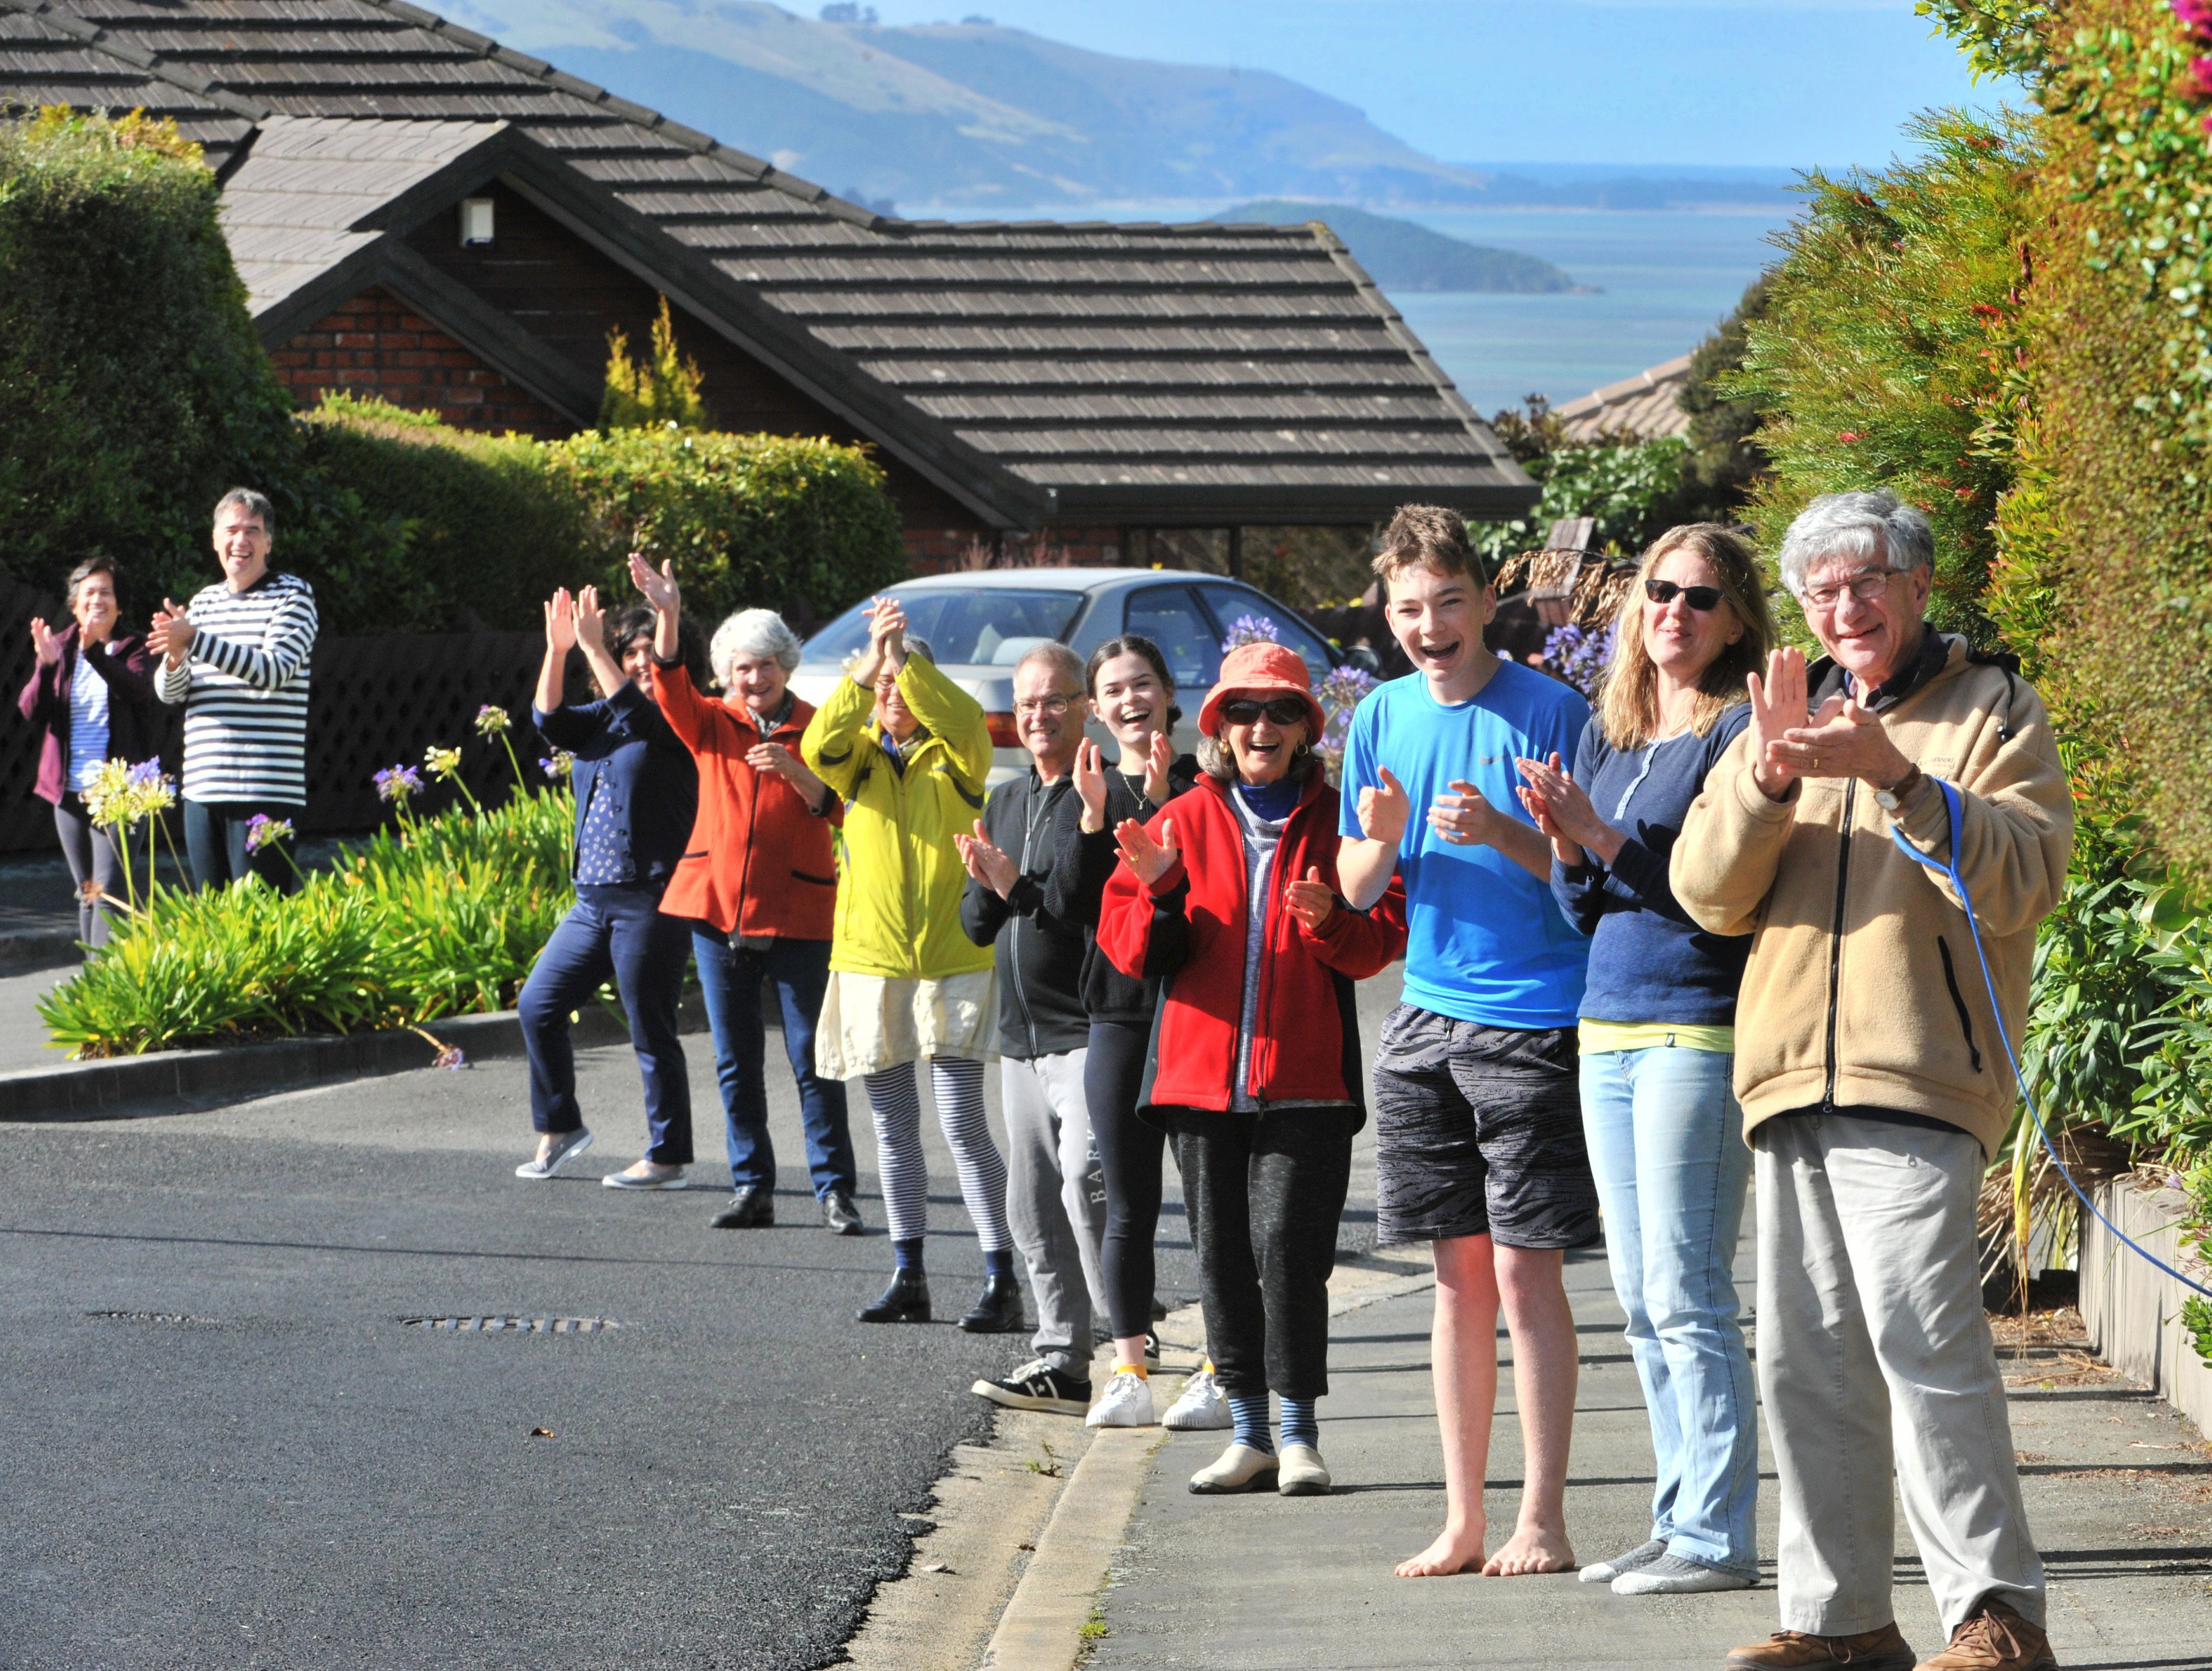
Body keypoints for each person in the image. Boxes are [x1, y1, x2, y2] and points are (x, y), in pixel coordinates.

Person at [1675, 492, 2072, 1671]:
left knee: (1923, 1343)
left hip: (1923, 1075)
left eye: (1867, 583)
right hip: (1789, 1079)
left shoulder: (1993, 708)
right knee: (1808, 1365)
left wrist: (1900, 779)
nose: (1846, 608)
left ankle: (1995, 1616)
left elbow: (2026, 876)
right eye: (1823, 591)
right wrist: (1770, 778)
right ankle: (1842, 1623)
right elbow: (1706, 892)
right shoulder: (1780, 716)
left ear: (1917, 588)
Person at [1511, 525, 1775, 1597]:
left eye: (1700, 598)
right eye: (1659, 591)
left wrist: (1604, 840)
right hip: (1608, 1025)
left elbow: (1724, 901)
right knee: (1636, 1294)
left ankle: (1718, 1533)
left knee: (1688, 1288)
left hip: (1695, 1026)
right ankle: (1679, 1521)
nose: (1674, 610)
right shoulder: (1613, 731)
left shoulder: (1740, 732)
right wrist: (1568, 842)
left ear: (1736, 619)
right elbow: (1586, 910)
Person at [1334, 503, 1596, 1578]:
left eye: (1450, 601)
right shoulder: (1380, 716)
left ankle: (1543, 1517)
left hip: (1535, 1018)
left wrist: (1503, 833)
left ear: (1489, 602)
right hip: (1424, 1019)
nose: (1431, 623)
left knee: (1529, 1277)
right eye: (1409, 607)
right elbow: (1354, 891)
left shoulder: (1554, 710)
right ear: (1386, 615)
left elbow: (1593, 874)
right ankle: (1463, 1519)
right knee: (1457, 1280)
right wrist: (1385, 842)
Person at [1100, 641, 1406, 1498]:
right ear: (1218, 729)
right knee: (1223, 1259)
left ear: (1307, 726)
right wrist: (1160, 892)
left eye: (1279, 711)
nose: (1259, 726)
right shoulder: (1180, 820)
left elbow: (1381, 940)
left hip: (1308, 1082)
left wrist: (1326, 923)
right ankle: (1248, 1434)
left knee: (1289, 1251)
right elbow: (1131, 951)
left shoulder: (1344, 819)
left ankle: (1300, 1433)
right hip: (1197, 1085)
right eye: (1241, 711)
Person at [803, 596, 1022, 1332]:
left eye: (904, 682)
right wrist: (870, 665)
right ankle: (910, 1273)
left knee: (963, 1122)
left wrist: (906, 661)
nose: (891, 694)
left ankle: (1000, 1274)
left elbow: (961, 719)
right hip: (871, 961)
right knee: (893, 1126)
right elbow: (816, 746)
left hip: (955, 958)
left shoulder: (960, 758)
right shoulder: (856, 762)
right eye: (882, 687)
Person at [627, 553, 861, 1236]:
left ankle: (834, 1190)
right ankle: (752, 1186)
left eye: (763, 665)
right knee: (735, 1062)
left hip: (800, 910)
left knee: (813, 1061)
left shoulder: (821, 727)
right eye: (739, 668)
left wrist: (797, 772)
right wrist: (668, 614)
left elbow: (846, 809)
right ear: (725, 676)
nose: (752, 679)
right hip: (716, 909)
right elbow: (668, 686)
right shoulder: (710, 721)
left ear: (786, 666)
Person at [1045, 636, 1216, 1430]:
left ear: (1168, 692)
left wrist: (1158, 807)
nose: (1127, 699)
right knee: (1124, 1202)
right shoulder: (1088, 787)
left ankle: (1222, 1366)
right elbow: (1071, 908)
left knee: (1211, 1202)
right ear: (1096, 706)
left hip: (1193, 1016)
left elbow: (1210, 903)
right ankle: (1128, 1369)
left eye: (1141, 683)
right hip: (1114, 1017)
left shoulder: (1204, 783)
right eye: (1111, 689)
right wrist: (1093, 816)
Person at [956, 641, 1113, 1415]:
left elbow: (1081, 910)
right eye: (1025, 705)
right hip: (1018, 1039)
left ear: (1085, 706)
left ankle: (1129, 1354)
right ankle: (1062, 1360)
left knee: (1088, 1191)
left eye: (1054, 700)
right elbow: (977, 925)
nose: (1039, 716)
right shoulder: (1008, 799)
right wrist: (985, 884)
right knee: (1032, 1204)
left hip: (1086, 1028)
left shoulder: (1104, 795)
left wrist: (1014, 885)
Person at [514, 586, 700, 1190]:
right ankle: (560, 1126)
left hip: (650, 897)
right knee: (538, 1006)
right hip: (592, 900)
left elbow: (641, 713)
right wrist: (560, 649)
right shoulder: (600, 723)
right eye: (630, 650)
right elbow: (547, 721)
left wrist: (596, 649)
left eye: (650, 651)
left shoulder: (676, 719)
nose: (641, 660)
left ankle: (667, 1156)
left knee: (649, 1027)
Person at [147, 490, 315, 894]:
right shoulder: (204, 603)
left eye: (253, 531)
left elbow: (273, 670)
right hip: (203, 790)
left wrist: (194, 640)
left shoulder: (294, 597)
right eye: (232, 530)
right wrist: (174, 659)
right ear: (215, 539)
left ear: (268, 543)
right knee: (213, 918)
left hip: (265, 790)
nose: (241, 541)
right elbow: (172, 694)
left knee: (260, 921)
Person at [19, 558, 159, 949]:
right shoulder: (58, 647)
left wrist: (95, 651)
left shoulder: (135, 647)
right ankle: (96, 987)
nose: (98, 599)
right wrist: (46, 666)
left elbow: (136, 691)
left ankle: (106, 991)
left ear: (119, 604)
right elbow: (32, 710)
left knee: (112, 893)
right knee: (90, 892)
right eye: (89, 592)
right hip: (69, 794)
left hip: (121, 794)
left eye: (107, 592)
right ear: (75, 603)